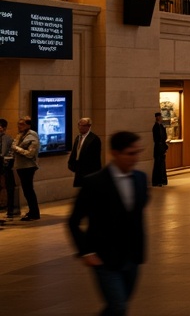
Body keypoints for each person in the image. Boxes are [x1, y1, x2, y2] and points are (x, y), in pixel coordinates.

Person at [67, 131, 149, 316]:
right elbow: (73, 221)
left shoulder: (140, 179)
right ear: (115, 153)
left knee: (117, 306)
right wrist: (86, 252)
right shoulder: (94, 182)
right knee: (119, 306)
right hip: (104, 257)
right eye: (130, 153)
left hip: (132, 255)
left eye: (137, 152)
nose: (135, 158)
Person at [12, 115, 40, 220]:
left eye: (22, 124)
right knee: (26, 190)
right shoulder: (21, 135)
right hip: (21, 166)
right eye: (18, 124)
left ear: (28, 125)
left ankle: (34, 212)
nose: (19, 126)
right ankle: (32, 211)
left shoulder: (32, 135)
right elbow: (14, 145)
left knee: (29, 190)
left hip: (28, 166)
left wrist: (17, 149)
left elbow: (30, 153)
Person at [68, 117, 104, 187]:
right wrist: (71, 163)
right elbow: (75, 152)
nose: (80, 127)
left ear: (89, 126)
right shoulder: (78, 138)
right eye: (79, 125)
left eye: (83, 126)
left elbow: (95, 158)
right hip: (79, 169)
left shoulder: (94, 139)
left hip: (89, 169)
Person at [0, 118, 16, 219]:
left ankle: (10, 209)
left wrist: (5, 161)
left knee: (9, 187)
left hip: (5, 167)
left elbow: (10, 152)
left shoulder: (9, 139)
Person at [150, 113, 169, 186]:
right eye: (159, 117)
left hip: (161, 147)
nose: (160, 118)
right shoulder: (155, 127)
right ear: (157, 117)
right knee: (158, 164)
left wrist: (165, 146)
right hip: (158, 148)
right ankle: (157, 181)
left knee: (162, 164)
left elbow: (164, 137)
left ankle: (162, 180)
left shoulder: (161, 126)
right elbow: (157, 139)